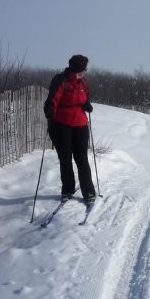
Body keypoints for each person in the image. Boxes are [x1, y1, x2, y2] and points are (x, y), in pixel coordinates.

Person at [43, 54, 97, 204]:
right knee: (65, 159)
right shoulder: (61, 80)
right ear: (74, 69)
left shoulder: (84, 83)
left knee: (82, 160)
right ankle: (67, 189)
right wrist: (49, 109)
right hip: (62, 125)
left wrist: (87, 104)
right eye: (81, 71)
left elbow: (85, 98)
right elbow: (52, 99)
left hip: (80, 125)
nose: (83, 73)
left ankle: (89, 192)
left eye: (84, 71)